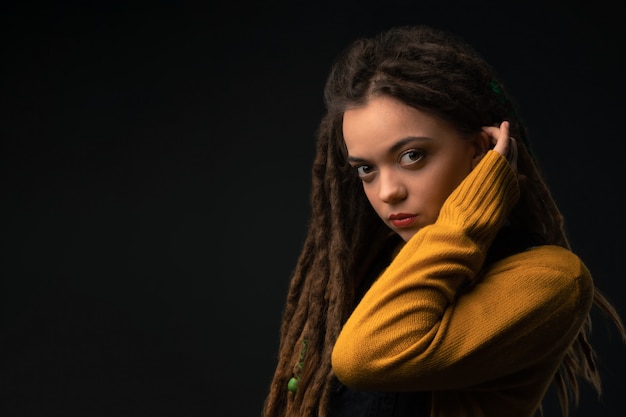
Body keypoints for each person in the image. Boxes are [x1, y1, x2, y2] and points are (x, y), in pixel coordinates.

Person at [261, 25, 626, 417]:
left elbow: (363, 357)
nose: (387, 192)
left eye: (412, 156)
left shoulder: (550, 279)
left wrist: (468, 216)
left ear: (481, 150)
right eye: (367, 168)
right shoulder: (360, 274)